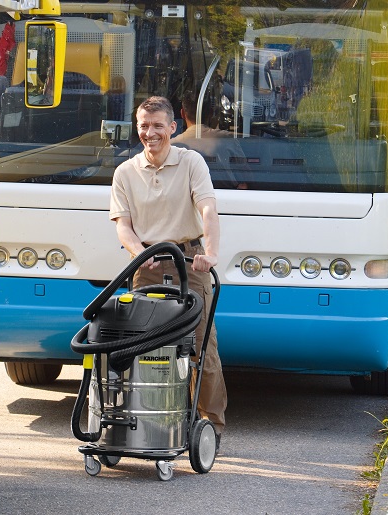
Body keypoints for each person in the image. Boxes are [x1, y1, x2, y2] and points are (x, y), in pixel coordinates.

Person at [109, 95, 227, 452]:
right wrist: (138, 253)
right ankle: (149, 419)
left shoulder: (191, 163)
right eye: (143, 126)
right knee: (144, 347)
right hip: (147, 265)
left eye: (157, 125)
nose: (150, 133)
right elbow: (123, 226)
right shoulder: (125, 172)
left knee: (201, 348)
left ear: (173, 128)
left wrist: (211, 253)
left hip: (189, 262)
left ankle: (211, 425)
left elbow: (208, 209)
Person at [172, 89, 248, 190]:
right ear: (212, 113)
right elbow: (247, 177)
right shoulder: (227, 139)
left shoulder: (171, 146)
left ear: (182, 114)